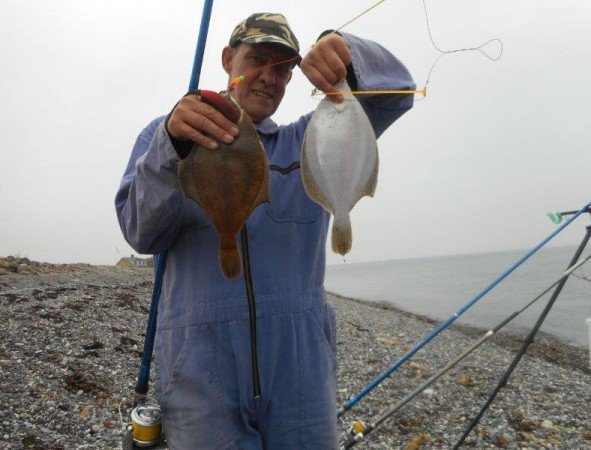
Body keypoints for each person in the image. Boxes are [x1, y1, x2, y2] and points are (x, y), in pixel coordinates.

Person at [116, 12, 414, 450]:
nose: (269, 78)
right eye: (256, 59)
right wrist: (170, 145)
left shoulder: (310, 140)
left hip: (301, 373)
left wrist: (348, 55)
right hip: (199, 369)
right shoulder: (169, 135)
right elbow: (141, 233)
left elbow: (397, 94)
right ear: (226, 59)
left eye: (283, 68)